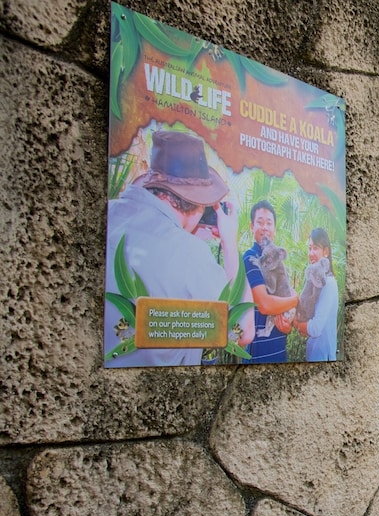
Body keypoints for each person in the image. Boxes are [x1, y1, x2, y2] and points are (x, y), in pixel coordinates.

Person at [105, 130, 253, 367]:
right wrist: (229, 244)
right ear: (197, 204)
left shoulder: (109, 212)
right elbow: (242, 330)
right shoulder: (190, 254)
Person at [242, 200, 298, 363]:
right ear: (252, 226)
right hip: (258, 354)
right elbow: (265, 305)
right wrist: (294, 299)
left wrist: (288, 324)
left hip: (279, 350)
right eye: (260, 222)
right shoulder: (251, 258)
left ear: (274, 229)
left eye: (269, 223)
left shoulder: (277, 259)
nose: (265, 227)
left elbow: (286, 300)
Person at [293, 228, 339, 361]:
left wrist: (295, 323)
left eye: (316, 248)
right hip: (314, 354)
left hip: (324, 358)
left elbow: (315, 328)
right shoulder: (314, 282)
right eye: (309, 248)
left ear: (326, 252)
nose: (311, 253)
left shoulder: (328, 283)